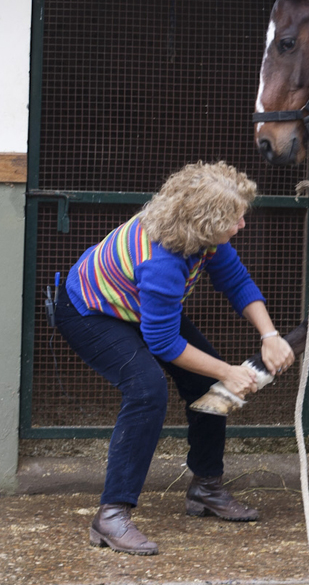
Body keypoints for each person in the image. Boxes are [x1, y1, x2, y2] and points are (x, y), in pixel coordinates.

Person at [55, 161, 295, 556]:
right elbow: (163, 342)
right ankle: (111, 515)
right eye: (235, 219)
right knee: (146, 389)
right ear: (205, 222)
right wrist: (229, 372)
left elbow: (235, 280)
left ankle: (205, 487)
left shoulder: (204, 237)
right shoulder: (163, 259)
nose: (242, 225)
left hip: (138, 307)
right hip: (90, 312)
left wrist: (269, 335)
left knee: (207, 385)